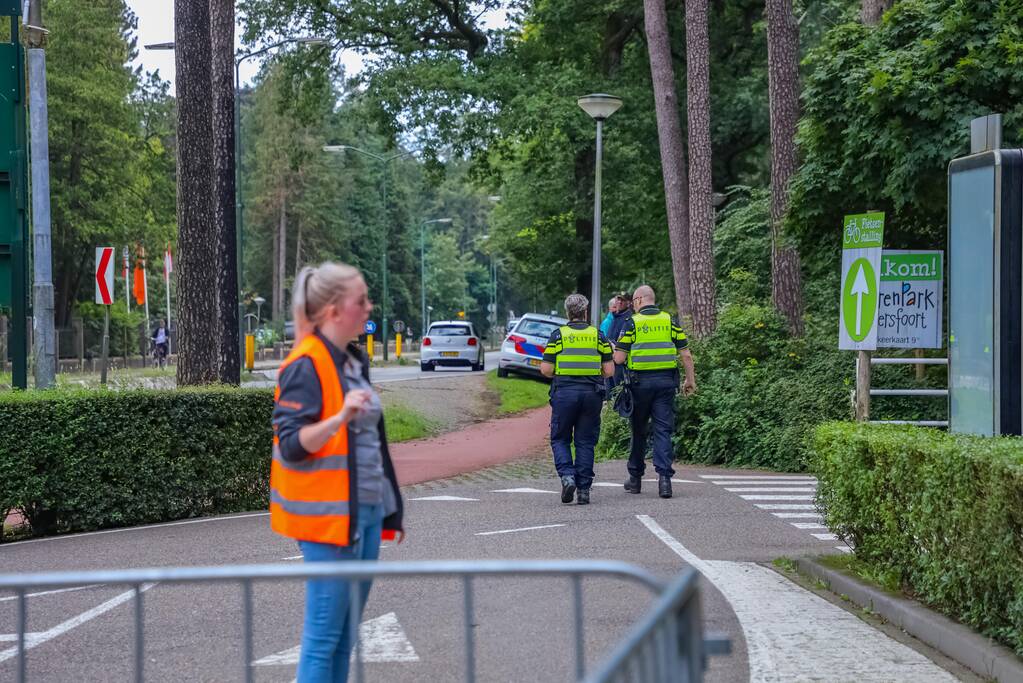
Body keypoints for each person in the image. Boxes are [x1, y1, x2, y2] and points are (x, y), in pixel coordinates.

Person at [271, 262, 405, 683]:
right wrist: (339, 418)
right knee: (323, 639)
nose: (369, 307)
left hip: (361, 512)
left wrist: (388, 509)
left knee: (345, 638)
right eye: (360, 300)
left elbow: (369, 445)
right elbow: (291, 445)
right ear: (332, 310)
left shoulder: (351, 360)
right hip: (326, 519)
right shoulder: (304, 365)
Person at [613, 285, 696, 499]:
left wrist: (614, 351)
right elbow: (685, 354)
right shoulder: (669, 321)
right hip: (666, 384)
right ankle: (665, 480)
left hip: (639, 385)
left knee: (638, 431)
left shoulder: (632, 323)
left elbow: (620, 359)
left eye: (634, 301)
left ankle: (636, 479)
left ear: (639, 300)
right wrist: (690, 380)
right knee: (663, 430)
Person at [540, 293, 614, 505]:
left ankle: (567, 476)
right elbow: (609, 370)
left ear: (568, 312)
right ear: (585, 312)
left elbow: (546, 369)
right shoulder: (598, 335)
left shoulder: (558, 336)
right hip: (591, 395)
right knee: (585, 441)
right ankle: (584, 490)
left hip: (564, 394)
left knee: (560, 438)